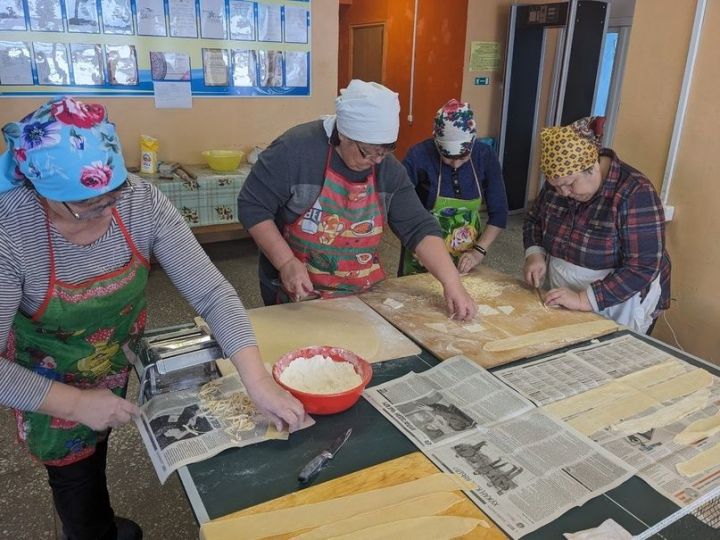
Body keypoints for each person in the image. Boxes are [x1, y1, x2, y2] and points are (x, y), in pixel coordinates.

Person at [0, 97, 305, 540]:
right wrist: (76, 403)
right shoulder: (11, 232)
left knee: (97, 449)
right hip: (46, 375)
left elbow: (212, 292)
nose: (107, 212)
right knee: (73, 476)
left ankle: (99, 519)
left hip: (110, 356)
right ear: (41, 191)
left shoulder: (139, 202)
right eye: (87, 205)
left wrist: (257, 381)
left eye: (113, 194)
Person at [237, 80, 477, 320]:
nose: (378, 160)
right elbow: (252, 205)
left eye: (385, 151)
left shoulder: (387, 169)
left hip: (361, 293)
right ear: (343, 135)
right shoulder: (294, 151)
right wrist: (286, 261)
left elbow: (418, 227)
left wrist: (451, 282)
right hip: (298, 293)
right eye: (368, 152)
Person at [523, 117, 671, 334]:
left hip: (619, 298)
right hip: (565, 287)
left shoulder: (635, 193)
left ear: (592, 168)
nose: (563, 193)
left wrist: (584, 300)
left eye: (569, 184)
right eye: (556, 186)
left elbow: (642, 267)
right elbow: (534, 219)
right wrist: (535, 254)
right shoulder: (561, 181)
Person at [401, 99, 509, 275]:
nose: (456, 164)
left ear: (472, 143)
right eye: (449, 158)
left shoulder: (485, 155)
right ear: (437, 144)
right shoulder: (418, 155)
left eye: (463, 158)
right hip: (423, 250)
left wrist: (478, 251)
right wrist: (416, 245)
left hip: (468, 256)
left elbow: (499, 212)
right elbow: (400, 206)